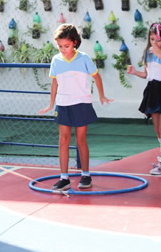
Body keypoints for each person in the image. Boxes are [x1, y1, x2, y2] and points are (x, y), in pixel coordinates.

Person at [38, 24, 112, 191]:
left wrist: (101, 95)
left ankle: (85, 174)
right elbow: (55, 82)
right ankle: (64, 178)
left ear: (75, 43)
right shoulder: (56, 60)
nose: (63, 49)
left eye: (67, 46)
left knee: (80, 140)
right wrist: (51, 103)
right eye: (60, 46)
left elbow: (97, 77)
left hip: (81, 103)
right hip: (63, 104)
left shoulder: (84, 58)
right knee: (63, 141)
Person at [127, 23, 161, 175]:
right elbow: (147, 75)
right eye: (152, 39)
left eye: (158, 40)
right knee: (157, 128)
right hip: (152, 91)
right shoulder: (147, 54)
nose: (154, 43)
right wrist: (135, 72)